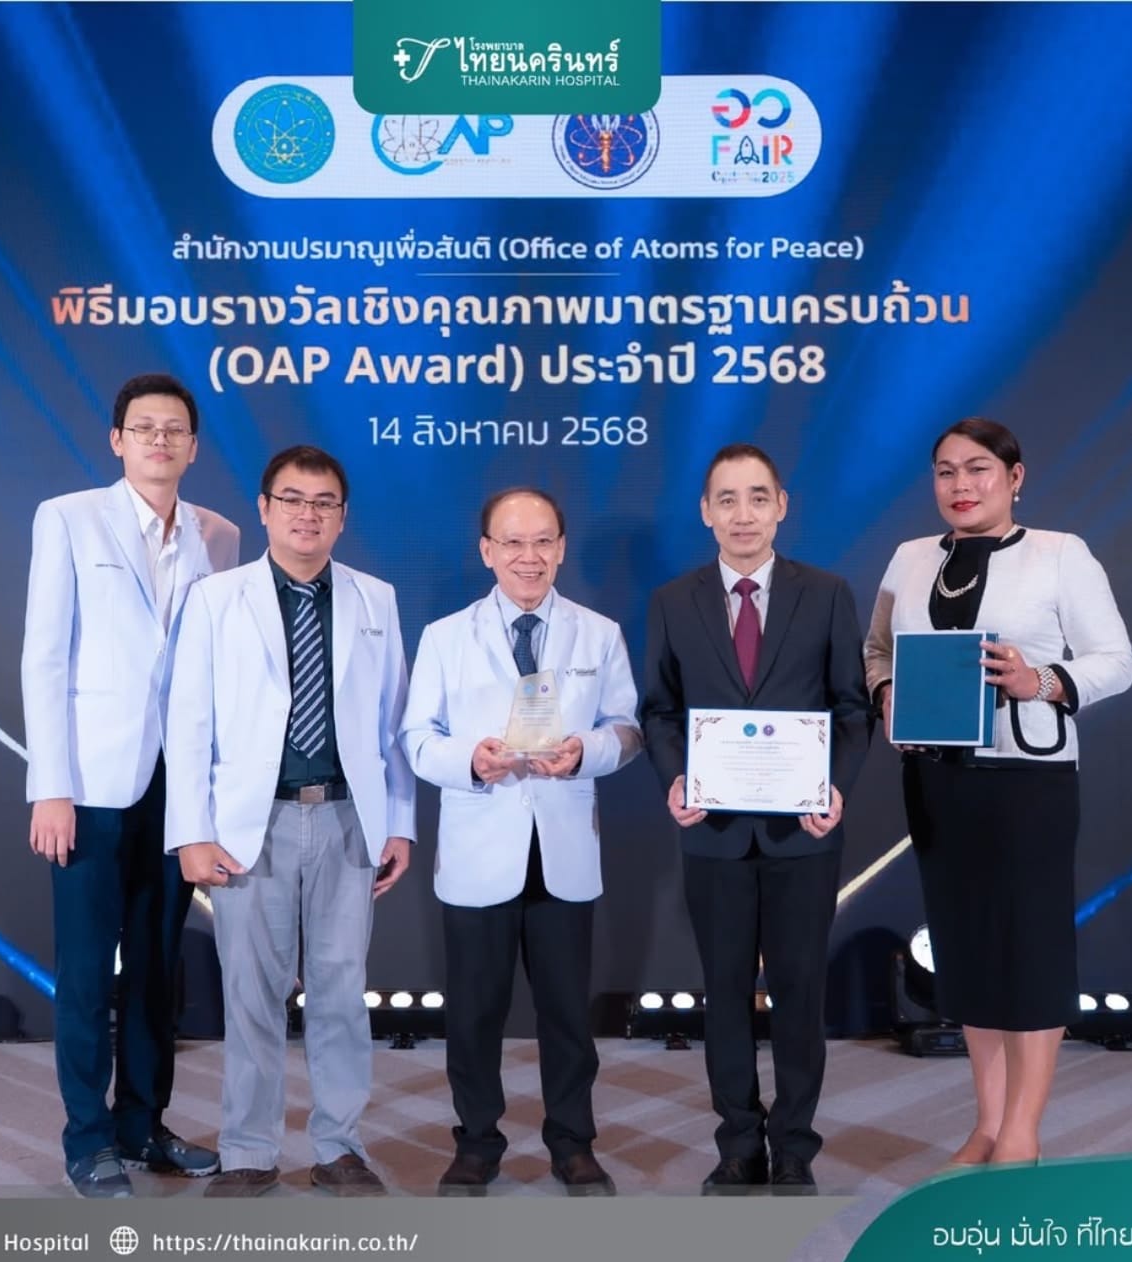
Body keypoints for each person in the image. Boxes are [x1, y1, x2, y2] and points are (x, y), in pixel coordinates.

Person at [863, 417, 1132, 1166]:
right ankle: (985, 1125)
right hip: (936, 777)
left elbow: (1116, 661)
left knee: (1031, 951)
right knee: (967, 950)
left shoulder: (1060, 553)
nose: (961, 485)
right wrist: (885, 690)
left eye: (978, 468)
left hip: (1028, 779)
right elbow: (877, 647)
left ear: (1015, 477)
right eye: (945, 471)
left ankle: (1022, 1132)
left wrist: (1038, 680)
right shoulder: (910, 557)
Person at [164, 444, 416, 1198]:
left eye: (324, 502)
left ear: (342, 516)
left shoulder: (376, 598)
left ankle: (339, 1146)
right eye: (294, 499)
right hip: (251, 826)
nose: (309, 514)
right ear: (265, 508)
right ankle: (247, 1150)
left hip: (346, 820)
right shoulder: (216, 598)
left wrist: (399, 821)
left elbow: (393, 722)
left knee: (341, 991)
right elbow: (188, 721)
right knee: (251, 993)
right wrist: (191, 831)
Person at [21, 373, 241, 1197]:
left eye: (174, 429)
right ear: (118, 440)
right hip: (89, 784)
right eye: (143, 427)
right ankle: (87, 1138)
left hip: (179, 788)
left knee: (156, 967)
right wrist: (51, 784)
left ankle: (143, 1123)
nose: (159, 440)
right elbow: (45, 655)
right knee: (86, 972)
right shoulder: (69, 518)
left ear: (193, 446)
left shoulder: (220, 534)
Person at [639, 443, 873, 1194]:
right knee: (725, 992)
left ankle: (795, 1145)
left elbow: (852, 709)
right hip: (714, 834)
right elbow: (659, 710)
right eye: (727, 499)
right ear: (706, 512)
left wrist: (835, 787)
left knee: (800, 993)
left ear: (782, 506)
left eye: (757, 497)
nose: (743, 514)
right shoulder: (673, 601)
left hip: (803, 835)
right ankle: (738, 1142)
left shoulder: (827, 593)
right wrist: (676, 776)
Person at [399, 488, 642, 1197]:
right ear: (487, 551)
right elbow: (416, 738)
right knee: (474, 1013)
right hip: (479, 848)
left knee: (567, 1012)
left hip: (563, 848)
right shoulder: (446, 636)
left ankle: (573, 1141)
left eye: (542, 542)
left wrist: (587, 749)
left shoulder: (599, 633)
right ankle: (477, 1142)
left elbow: (627, 728)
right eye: (512, 542)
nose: (528, 557)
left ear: (562, 548)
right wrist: (471, 761)